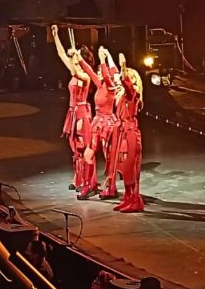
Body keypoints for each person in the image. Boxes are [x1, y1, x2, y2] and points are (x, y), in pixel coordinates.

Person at [52, 24, 96, 198]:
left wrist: (76, 57)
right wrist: (56, 36)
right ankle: (78, 177)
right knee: (74, 149)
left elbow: (73, 68)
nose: (74, 64)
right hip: (73, 112)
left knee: (84, 148)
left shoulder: (85, 77)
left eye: (78, 61)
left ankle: (89, 181)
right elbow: (61, 55)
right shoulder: (74, 73)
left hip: (82, 113)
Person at [87, 46, 120, 199]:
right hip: (97, 122)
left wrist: (103, 58)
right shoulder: (99, 85)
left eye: (101, 70)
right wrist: (78, 58)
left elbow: (109, 74)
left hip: (108, 124)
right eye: (99, 70)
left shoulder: (111, 86)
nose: (99, 72)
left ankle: (111, 187)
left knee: (109, 157)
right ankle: (89, 184)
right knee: (89, 152)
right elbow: (88, 70)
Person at [114, 55, 145, 212]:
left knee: (131, 168)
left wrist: (124, 65)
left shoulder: (133, 94)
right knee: (123, 167)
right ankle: (127, 198)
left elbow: (126, 84)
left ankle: (135, 200)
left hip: (131, 133)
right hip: (123, 133)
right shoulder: (121, 96)